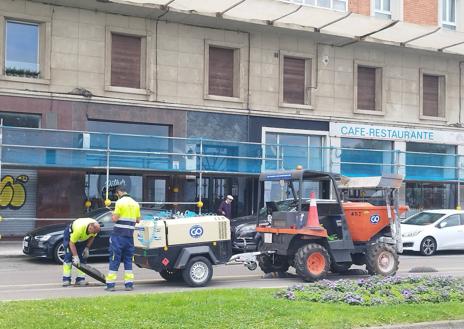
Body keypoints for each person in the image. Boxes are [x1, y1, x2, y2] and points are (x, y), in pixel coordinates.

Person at [106, 185, 141, 291]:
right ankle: (129, 284)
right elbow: (138, 220)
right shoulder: (135, 203)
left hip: (118, 236)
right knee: (128, 260)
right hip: (129, 237)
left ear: (118, 193)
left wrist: (112, 215)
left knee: (114, 259)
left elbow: (115, 219)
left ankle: (111, 285)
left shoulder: (119, 202)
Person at [62, 217, 101, 286]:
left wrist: (87, 248)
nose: (93, 233)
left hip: (82, 238)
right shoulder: (79, 229)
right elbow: (72, 243)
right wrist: (75, 256)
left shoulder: (95, 228)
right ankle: (66, 279)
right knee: (68, 257)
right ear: (90, 227)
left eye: (95, 232)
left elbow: (92, 237)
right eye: (93, 232)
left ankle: (80, 279)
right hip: (70, 236)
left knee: (82, 257)